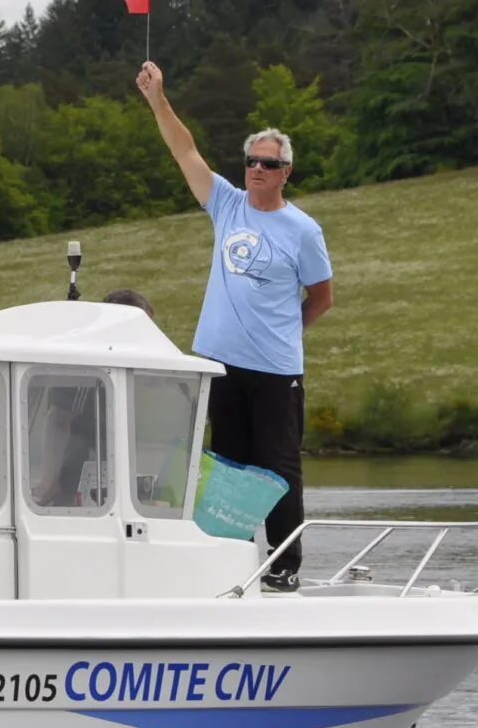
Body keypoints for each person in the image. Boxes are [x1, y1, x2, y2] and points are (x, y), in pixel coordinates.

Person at [136, 60, 332, 590]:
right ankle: (232, 563)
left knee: (279, 471)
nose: (256, 170)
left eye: (268, 164)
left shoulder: (303, 230)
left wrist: (285, 334)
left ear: (286, 171)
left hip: (275, 369)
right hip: (221, 364)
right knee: (226, 468)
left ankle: (285, 568)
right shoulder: (225, 203)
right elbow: (185, 150)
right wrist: (158, 99)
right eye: (251, 161)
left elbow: (321, 298)